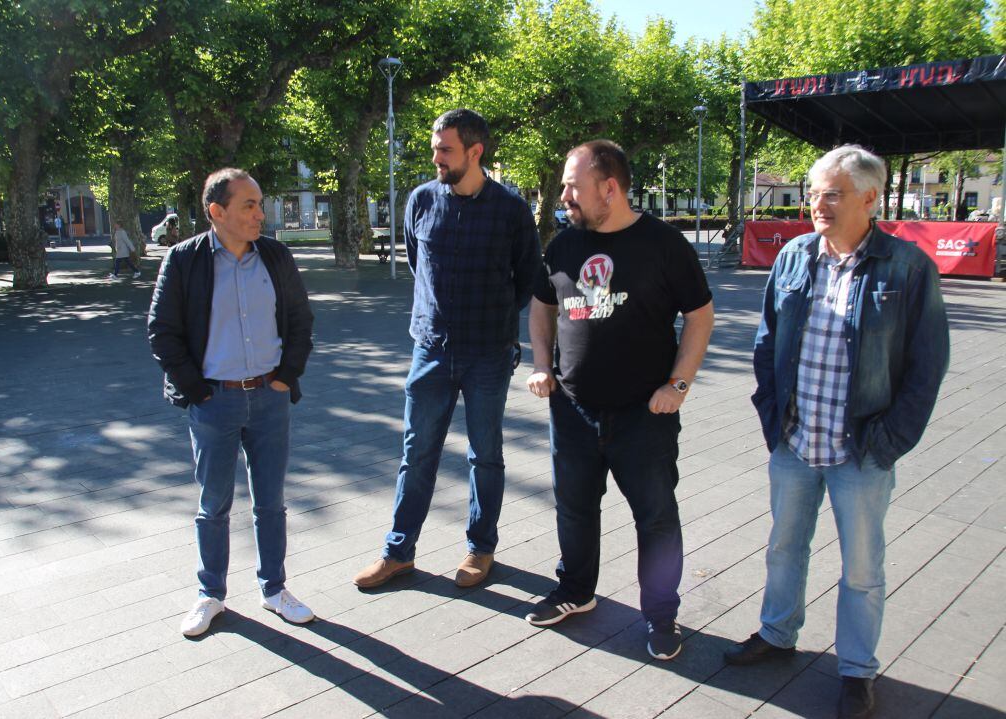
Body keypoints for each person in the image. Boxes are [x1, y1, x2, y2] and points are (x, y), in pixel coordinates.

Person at [725, 145, 949, 719]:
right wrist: (773, 416)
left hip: (863, 450)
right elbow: (767, 341)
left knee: (863, 567)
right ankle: (777, 634)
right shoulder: (796, 256)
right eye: (813, 192)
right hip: (796, 441)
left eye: (831, 193)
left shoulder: (907, 266)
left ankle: (856, 670)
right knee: (783, 548)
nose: (816, 204)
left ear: (870, 199)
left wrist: (890, 440)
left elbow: (928, 365)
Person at [525, 140, 714, 661]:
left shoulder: (664, 245)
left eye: (573, 185)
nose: (564, 194)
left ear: (610, 188)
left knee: (655, 516)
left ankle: (661, 616)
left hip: (644, 414)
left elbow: (700, 316)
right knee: (575, 509)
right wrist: (543, 365)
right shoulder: (563, 245)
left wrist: (677, 385)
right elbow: (542, 307)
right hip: (574, 409)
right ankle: (575, 592)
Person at [353, 109, 541, 590]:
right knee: (416, 454)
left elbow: (526, 281)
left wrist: (492, 321)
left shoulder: (511, 210)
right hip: (430, 351)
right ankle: (399, 552)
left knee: (486, 455)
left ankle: (481, 549)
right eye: (435, 148)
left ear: (475, 152)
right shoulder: (420, 201)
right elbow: (421, 268)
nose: (436, 157)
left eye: (445, 149)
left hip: (488, 354)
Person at [147, 168, 315, 637]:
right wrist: (198, 392)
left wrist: (286, 377)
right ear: (216, 212)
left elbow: (301, 320)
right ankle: (210, 595)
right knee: (213, 504)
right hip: (214, 402)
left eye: (260, 203)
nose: (260, 213)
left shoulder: (276, 256)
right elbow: (163, 333)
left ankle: (275, 589)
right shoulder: (184, 261)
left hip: (269, 398)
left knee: (271, 502)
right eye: (249, 205)